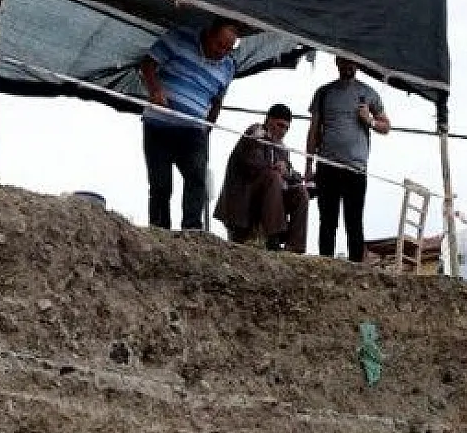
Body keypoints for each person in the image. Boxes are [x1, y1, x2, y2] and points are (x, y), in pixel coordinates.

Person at [138, 19, 239, 231]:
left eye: (228, 48)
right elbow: (148, 64)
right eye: (219, 45)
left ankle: (192, 230)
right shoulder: (180, 37)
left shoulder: (229, 66)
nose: (222, 52)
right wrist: (155, 89)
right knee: (160, 185)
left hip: (193, 131)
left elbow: (217, 101)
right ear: (209, 34)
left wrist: (207, 127)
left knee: (197, 179)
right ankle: (159, 231)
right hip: (159, 125)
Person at [305, 57, 389, 262]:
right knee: (327, 220)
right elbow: (313, 129)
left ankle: (356, 269)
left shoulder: (368, 93)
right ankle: (325, 264)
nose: (348, 66)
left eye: (352, 62)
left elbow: (386, 126)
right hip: (327, 165)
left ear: (358, 64)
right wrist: (308, 164)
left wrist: (369, 120)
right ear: (337, 62)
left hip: (356, 168)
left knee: (354, 222)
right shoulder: (324, 92)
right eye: (344, 61)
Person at [213, 103, 308, 252]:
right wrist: (275, 168)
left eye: (286, 128)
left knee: (301, 192)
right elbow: (251, 164)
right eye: (280, 125)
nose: (283, 131)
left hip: (269, 202)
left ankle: (294, 247)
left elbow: (293, 176)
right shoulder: (255, 133)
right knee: (273, 177)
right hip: (245, 200)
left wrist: (288, 172)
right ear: (269, 120)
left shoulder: (282, 149)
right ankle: (273, 239)